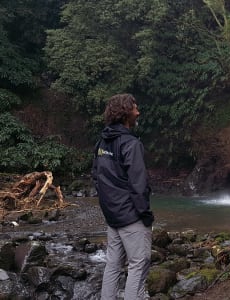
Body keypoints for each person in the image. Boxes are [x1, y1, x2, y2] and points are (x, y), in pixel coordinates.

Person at [92, 93, 154, 299]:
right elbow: (139, 185)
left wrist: (108, 204)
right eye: (135, 108)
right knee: (138, 264)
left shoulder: (102, 142)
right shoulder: (130, 144)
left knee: (113, 264)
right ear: (126, 113)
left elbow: (96, 177)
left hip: (112, 215)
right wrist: (145, 214)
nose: (138, 112)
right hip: (131, 216)